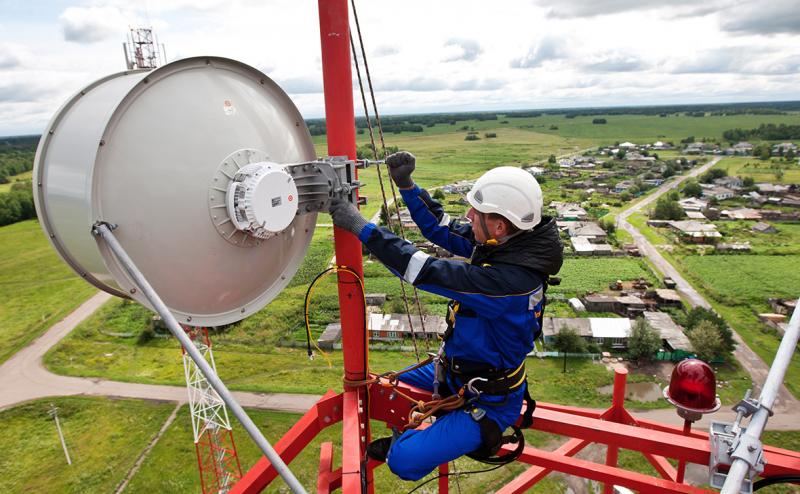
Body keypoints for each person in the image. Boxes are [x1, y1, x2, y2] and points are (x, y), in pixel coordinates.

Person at [328, 151, 563, 481]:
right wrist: (408, 186)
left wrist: (361, 228)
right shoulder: (507, 244)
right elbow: (441, 229)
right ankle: (420, 433)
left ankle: (408, 441)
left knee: (404, 462)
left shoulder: (509, 283)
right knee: (380, 390)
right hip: (455, 371)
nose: (468, 215)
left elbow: (423, 269)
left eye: (476, 213)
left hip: (490, 398)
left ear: (499, 225)